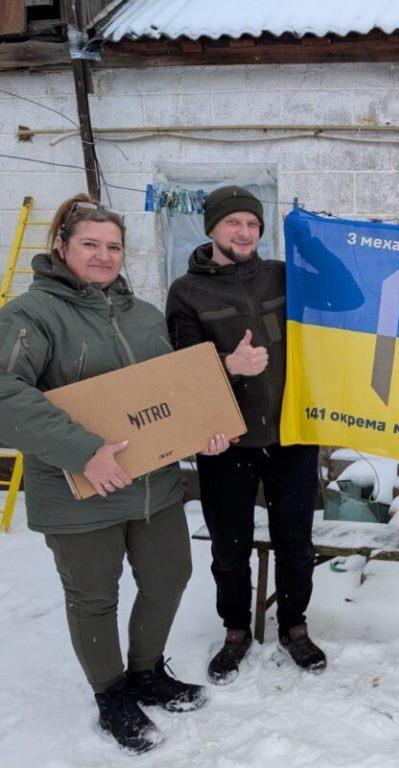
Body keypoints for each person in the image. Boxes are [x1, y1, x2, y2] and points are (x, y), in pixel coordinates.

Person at [0, 195, 229, 754]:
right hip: (84, 491)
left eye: (113, 246)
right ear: (61, 247)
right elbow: (6, 394)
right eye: (90, 244)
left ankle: (147, 672)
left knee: (170, 577)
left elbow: (172, 391)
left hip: (154, 484)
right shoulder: (30, 316)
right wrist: (83, 450)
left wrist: (205, 427)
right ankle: (111, 696)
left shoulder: (143, 314)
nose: (104, 256)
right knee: (94, 598)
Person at [165, 185, 324, 683]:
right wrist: (229, 365)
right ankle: (236, 630)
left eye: (253, 224)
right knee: (229, 547)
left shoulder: (283, 276)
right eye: (234, 223)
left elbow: (348, 298)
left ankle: (294, 625)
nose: (245, 232)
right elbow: (184, 373)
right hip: (225, 441)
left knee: (295, 541)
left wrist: (322, 242)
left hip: (291, 433)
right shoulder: (187, 292)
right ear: (211, 228)